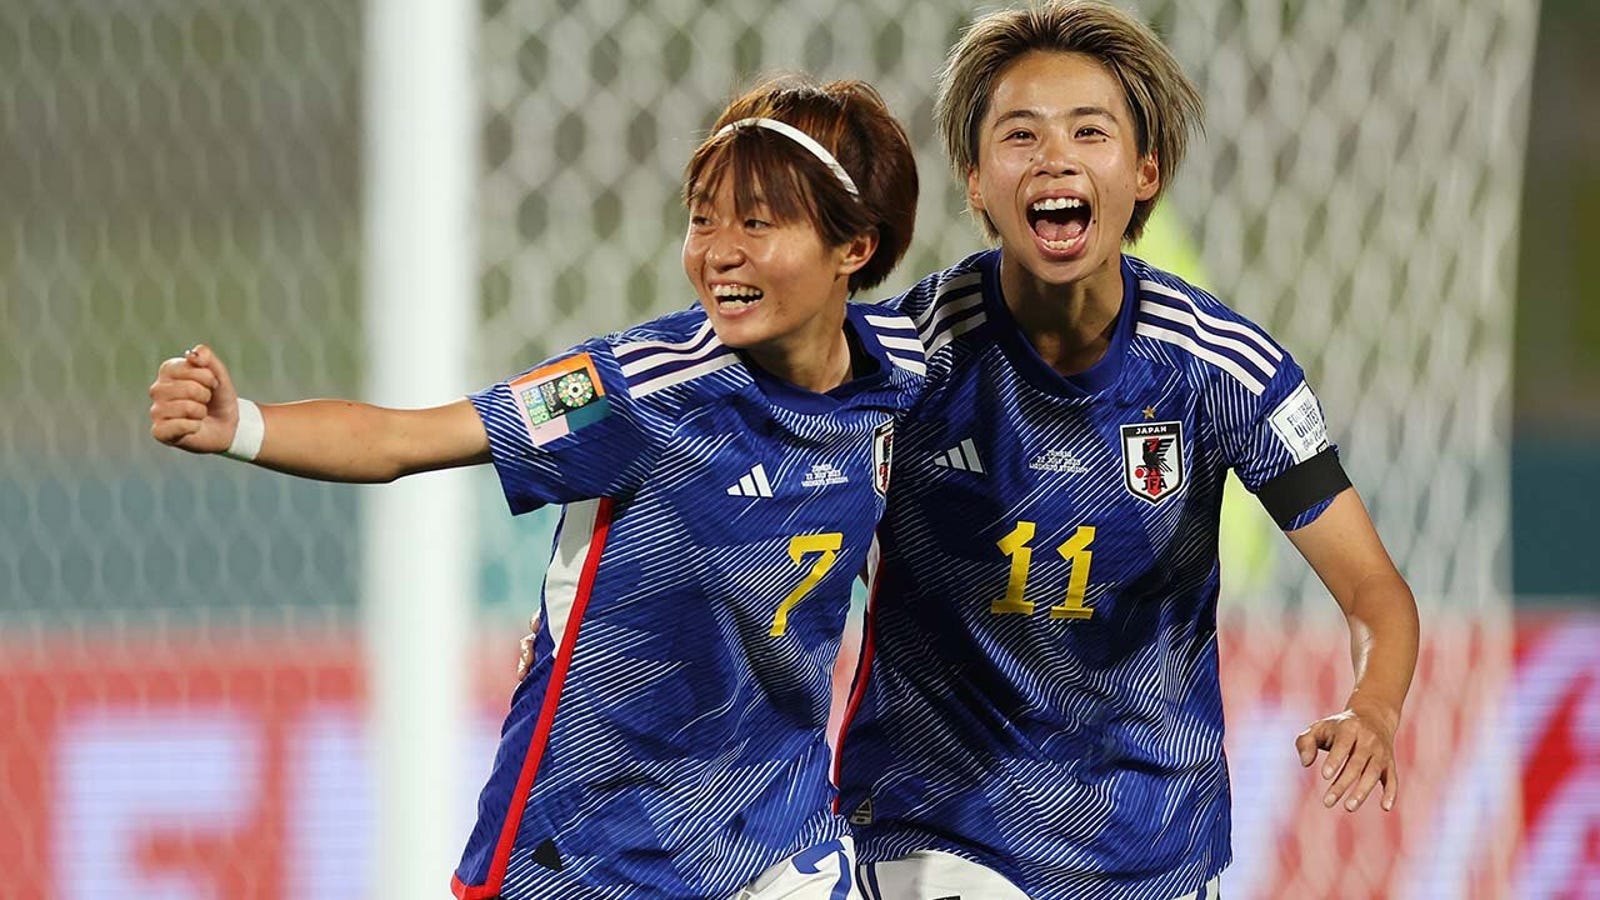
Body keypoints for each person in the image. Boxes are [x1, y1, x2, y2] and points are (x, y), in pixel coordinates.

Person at [148, 74, 924, 900]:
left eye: (758, 223)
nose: (716, 251)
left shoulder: (904, 374)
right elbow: (404, 439)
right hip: (594, 850)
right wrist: (239, 426)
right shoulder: (635, 389)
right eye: (702, 217)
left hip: (779, 835)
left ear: (856, 248)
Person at [832, 3, 1421, 898]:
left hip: (1155, 848)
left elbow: (1373, 590)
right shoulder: (909, 360)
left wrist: (1373, 707)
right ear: (977, 182)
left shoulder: (1224, 371)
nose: (1055, 158)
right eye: (1019, 134)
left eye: (1089, 131)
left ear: (1144, 171)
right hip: (937, 827)